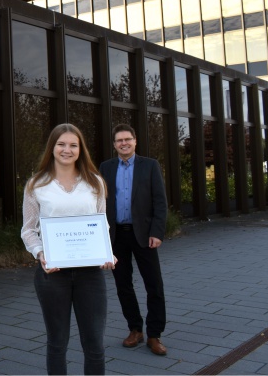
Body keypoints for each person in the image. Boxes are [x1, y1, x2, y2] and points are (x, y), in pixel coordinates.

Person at [21, 124, 116, 375]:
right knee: (57, 342)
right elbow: (28, 230)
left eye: (73, 145)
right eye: (61, 144)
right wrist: (41, 253)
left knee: (95, 343)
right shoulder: (36, 185)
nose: (67, 149)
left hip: (90, 274)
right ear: (52, 148)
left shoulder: (95, 182)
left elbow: (101, 223)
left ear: (80, 149)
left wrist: (107, 252)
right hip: (53, 274)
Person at [99, 124, 168, 356]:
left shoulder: (150, 166)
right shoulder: (106, 168)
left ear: (135, 141)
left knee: (154, 285)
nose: (124, 143)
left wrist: (157, 232)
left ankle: (154, 335)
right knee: (123, 285)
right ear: (114, 144)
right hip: (116, 235)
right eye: (119, 140)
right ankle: (135, 329)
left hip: (144, 235)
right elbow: (100, 203)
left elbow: (160, 201)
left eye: (128, 139)